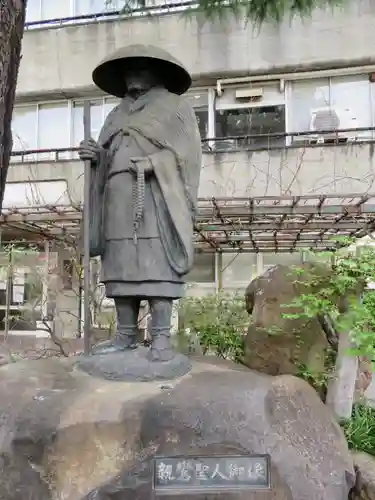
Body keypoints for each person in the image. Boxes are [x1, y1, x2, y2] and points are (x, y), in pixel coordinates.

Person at [78, 44, 202, 362]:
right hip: (117, 196)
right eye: (128, 70)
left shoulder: (176, 107)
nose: (133, 75)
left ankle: (160, 336)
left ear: (158, 72)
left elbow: (187, 156)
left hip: (156, 196)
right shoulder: (115, 113)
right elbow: (107, 156)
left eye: (141, 68)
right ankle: (125, 333)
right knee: (119, 260)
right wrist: (97, 157)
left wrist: (154, 163)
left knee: (155, 260)